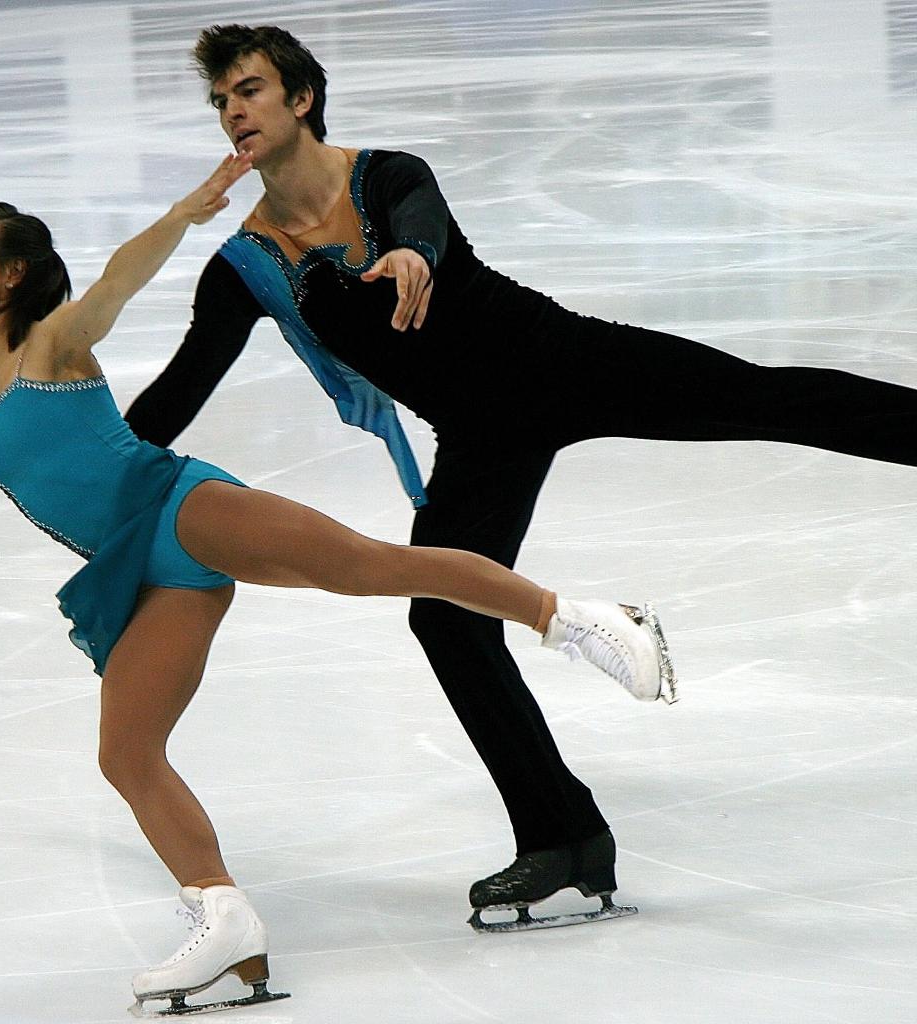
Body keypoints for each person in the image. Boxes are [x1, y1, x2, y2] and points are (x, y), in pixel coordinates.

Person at [122, 21, 917, 928]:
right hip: (480, 436)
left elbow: (421, 226)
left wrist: (414, 253)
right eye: (221, 100)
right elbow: (181, 388)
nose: (233, 111)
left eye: (250, 90)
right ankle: (562, 839)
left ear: (301, 98)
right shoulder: (248, 267)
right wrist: (95, 455)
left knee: (763, 397)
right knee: (446, 621)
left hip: (559, 360)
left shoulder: (387, 176)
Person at [0, 158, 670, 1014]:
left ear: (12, 274)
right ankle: (225, 923)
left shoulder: (53, 346)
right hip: (141, 572)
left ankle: (584, 621)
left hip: (181, 510)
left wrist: (181, 216)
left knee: (374, 567)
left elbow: (116, 283)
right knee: (127, 754)